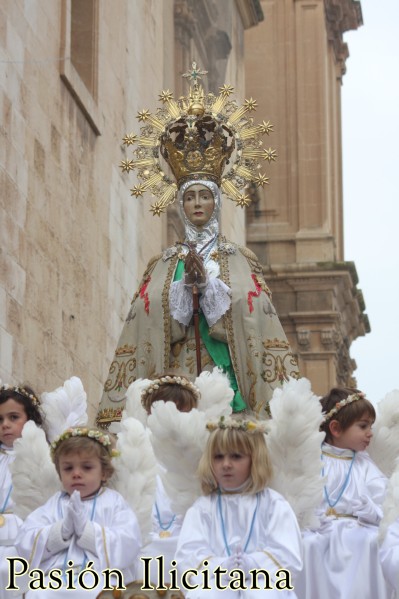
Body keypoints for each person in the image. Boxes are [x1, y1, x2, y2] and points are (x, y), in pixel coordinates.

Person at [97, 65, 298, 429]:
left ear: (218, 201)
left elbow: (256, 316)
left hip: (227, 376)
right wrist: (177, 293)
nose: (198, 204)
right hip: (175, 378)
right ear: (180, 204)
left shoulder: (240, 259)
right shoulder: (161, 263)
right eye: (190, 197)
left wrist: (210, 291)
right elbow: (142, 320)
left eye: (206, 195)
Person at [174, 417, 303, 598]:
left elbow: (287, 553)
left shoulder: (273, 504)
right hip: (216, 579)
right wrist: (221, 566)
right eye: (218, 457)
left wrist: (253, 564)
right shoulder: (202, 508)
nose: (226, 464)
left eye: (236, 456)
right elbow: (189, 554)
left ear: (255, 459)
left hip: (262, 580)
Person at [15, 427, 142, 597]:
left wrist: (87, 531)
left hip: (100, 576)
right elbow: (26, 540)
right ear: (60, 474)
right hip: (56, 577)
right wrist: (60, 532)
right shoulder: (54, 504)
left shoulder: (114, 503)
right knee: (39, 593)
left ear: (104, 472)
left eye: (87, 467)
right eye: (68, 468)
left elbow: (128, 542)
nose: (76, 474)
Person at [295, 388, 390, 599]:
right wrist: (309, 518)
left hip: (358, 527)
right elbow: (296, 494)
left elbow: (386, 503)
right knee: (307, 544)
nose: (370, 433)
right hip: (318, 529)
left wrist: (371, 511)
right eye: (363, 426)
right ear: (336, 429)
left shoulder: (364, 465)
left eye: (371, 426)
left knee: (371, 542)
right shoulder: (311, 459)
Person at [0, 383, 44, 595]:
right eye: (0, 420)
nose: (5, 425)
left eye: (13, 417)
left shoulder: (41, 458)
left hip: (21, 544)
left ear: (30, 419)